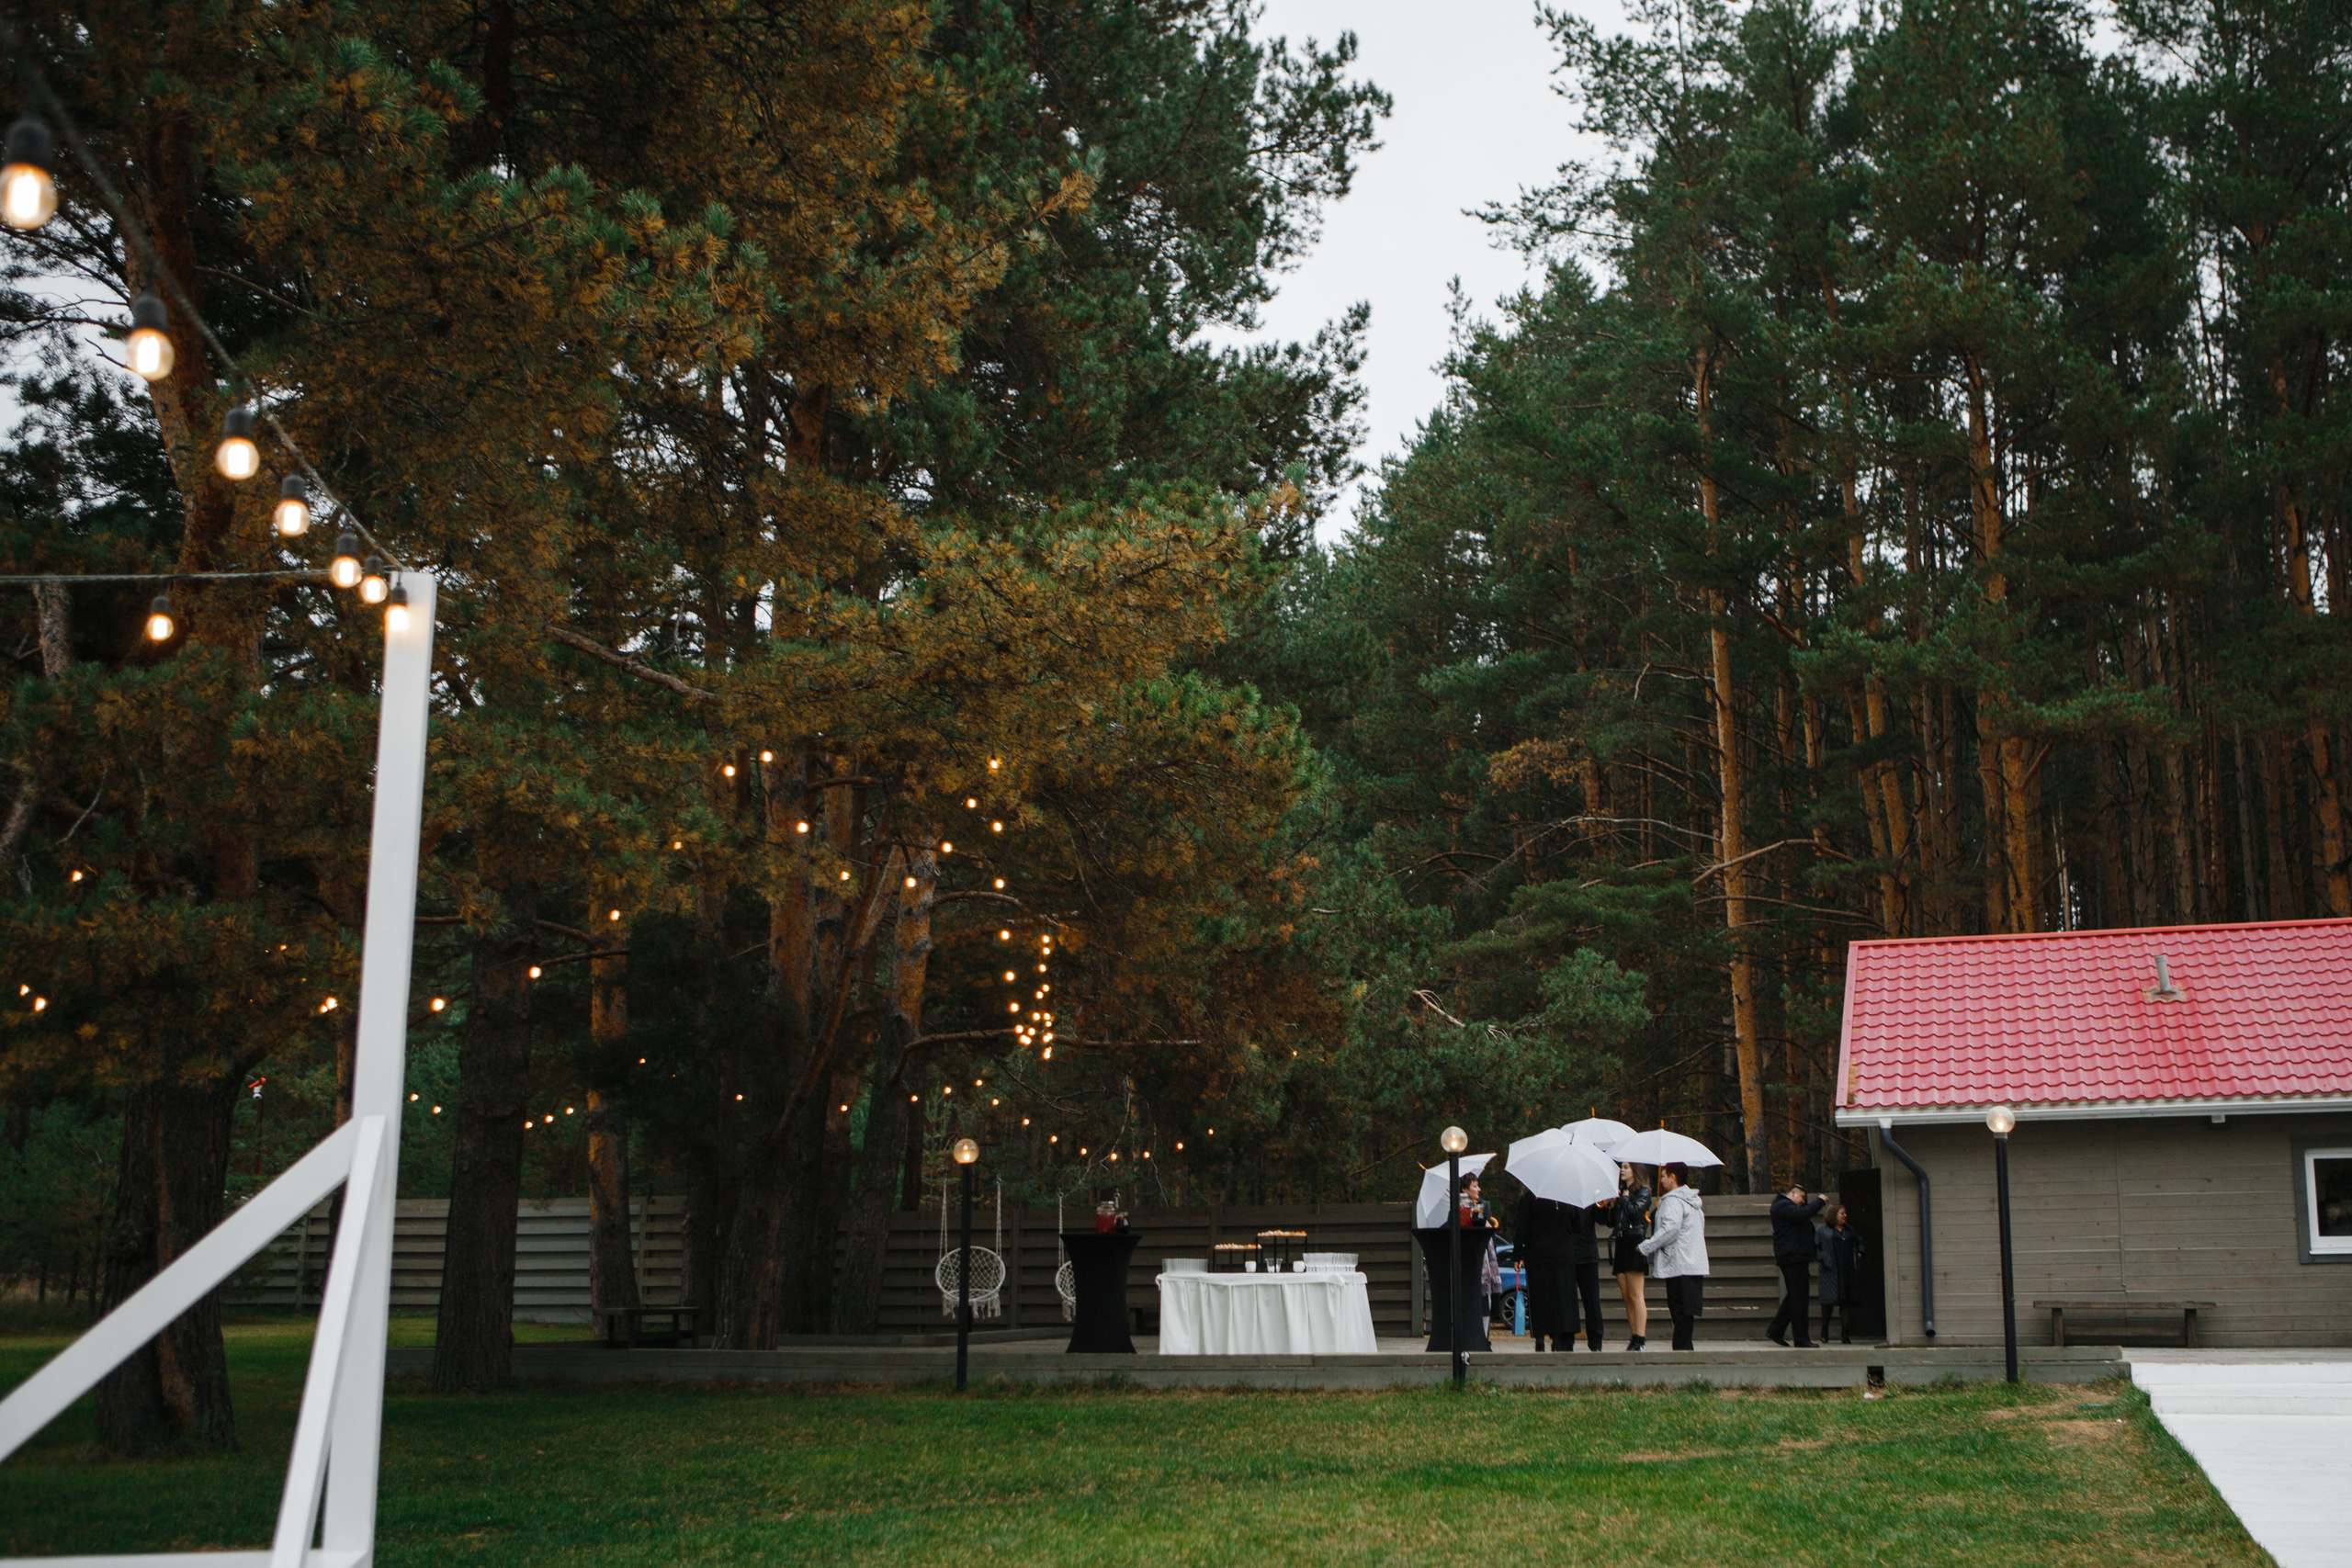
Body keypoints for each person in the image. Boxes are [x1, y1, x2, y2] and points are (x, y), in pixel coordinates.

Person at [1512, 1190, 1605, 1353]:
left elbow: (1521, 1226)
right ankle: (1559, 1340)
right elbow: (1576, 1224)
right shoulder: (1566, 1197)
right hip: (1562, 1254)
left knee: (1541, 1300)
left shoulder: (1530, 1197)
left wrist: (1518, 1252)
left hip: (1537, 1254)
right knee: (1561, 1301)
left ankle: (1540, 1340)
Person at [1638, 1161, 1707, 1350]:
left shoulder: (1673, 1201)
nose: (1661, 1180)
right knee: (1687, 1315)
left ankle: (1681, 1355)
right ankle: (1685, 1351)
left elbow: (1670, 1229)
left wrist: (1645, 1247)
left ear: (1673, 1177)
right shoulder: (1693, 1203)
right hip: (1694, 1263)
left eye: (1663, 1176)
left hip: (1678, 1264)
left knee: (1679, 1313)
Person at [1767, 1182, 1827, 1348]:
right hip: (1792, 1257)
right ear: (1793, 1194)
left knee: (1795, 1296)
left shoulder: (1785, 1208)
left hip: (1796, 1256)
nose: (1803, 1201)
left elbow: (1802, 1215)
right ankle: (1800, 1338)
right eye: (1802, 1197)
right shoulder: (1783, 1206)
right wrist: (1820, 1200)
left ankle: (1776, 1330)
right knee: (1799, 1299)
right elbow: (1802, 1215)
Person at [1600, 1162, 1652, 1351]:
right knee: (1626, 1295)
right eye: (1622, 1166)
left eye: (1627, 1167)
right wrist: (1611, 1204)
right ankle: (1634, 1336)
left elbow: (1635, 1212)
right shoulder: (1622, 1192)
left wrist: (1623, 1200)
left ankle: (1641, 1338)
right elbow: (1610, 1222)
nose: (1622, 1170)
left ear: (1635, 1171)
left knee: (1636, 1294)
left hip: (1635, 1242)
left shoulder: (1643, 1191)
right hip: (1621, 1242)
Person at [1815, 1204, 1865, 1345]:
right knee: (1827, 1305)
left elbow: (1859, 1241)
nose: (1845, 1216)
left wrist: (1859, 1252)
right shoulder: (1822, 1231)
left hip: (1847, 1270)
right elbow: (1814, 1247)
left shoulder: (1849, 1230)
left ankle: (1845, 1334)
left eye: (1845, 1213)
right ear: (1834, 1215)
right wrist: (1824, 1258)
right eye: (1842, 1214)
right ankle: (1824, 1332)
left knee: (1845, 1303)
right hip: (1830, 1271)